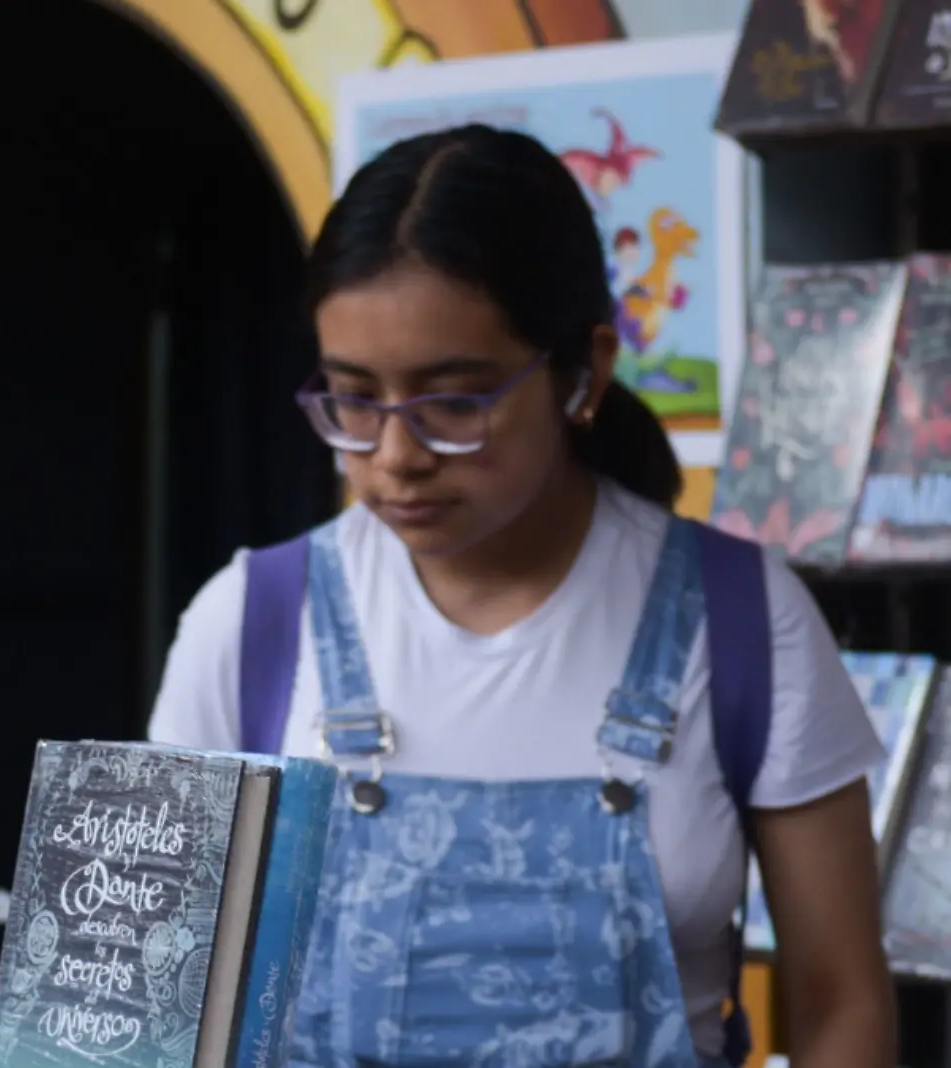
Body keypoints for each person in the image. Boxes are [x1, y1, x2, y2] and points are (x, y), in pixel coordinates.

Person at [148, 125, 894, 1066]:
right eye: (353, 400)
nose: (395, 456)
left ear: (584, 373)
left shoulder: (743, 621)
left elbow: (841, 1006)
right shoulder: (252, 625)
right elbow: (154, 1005)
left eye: (454, 402)